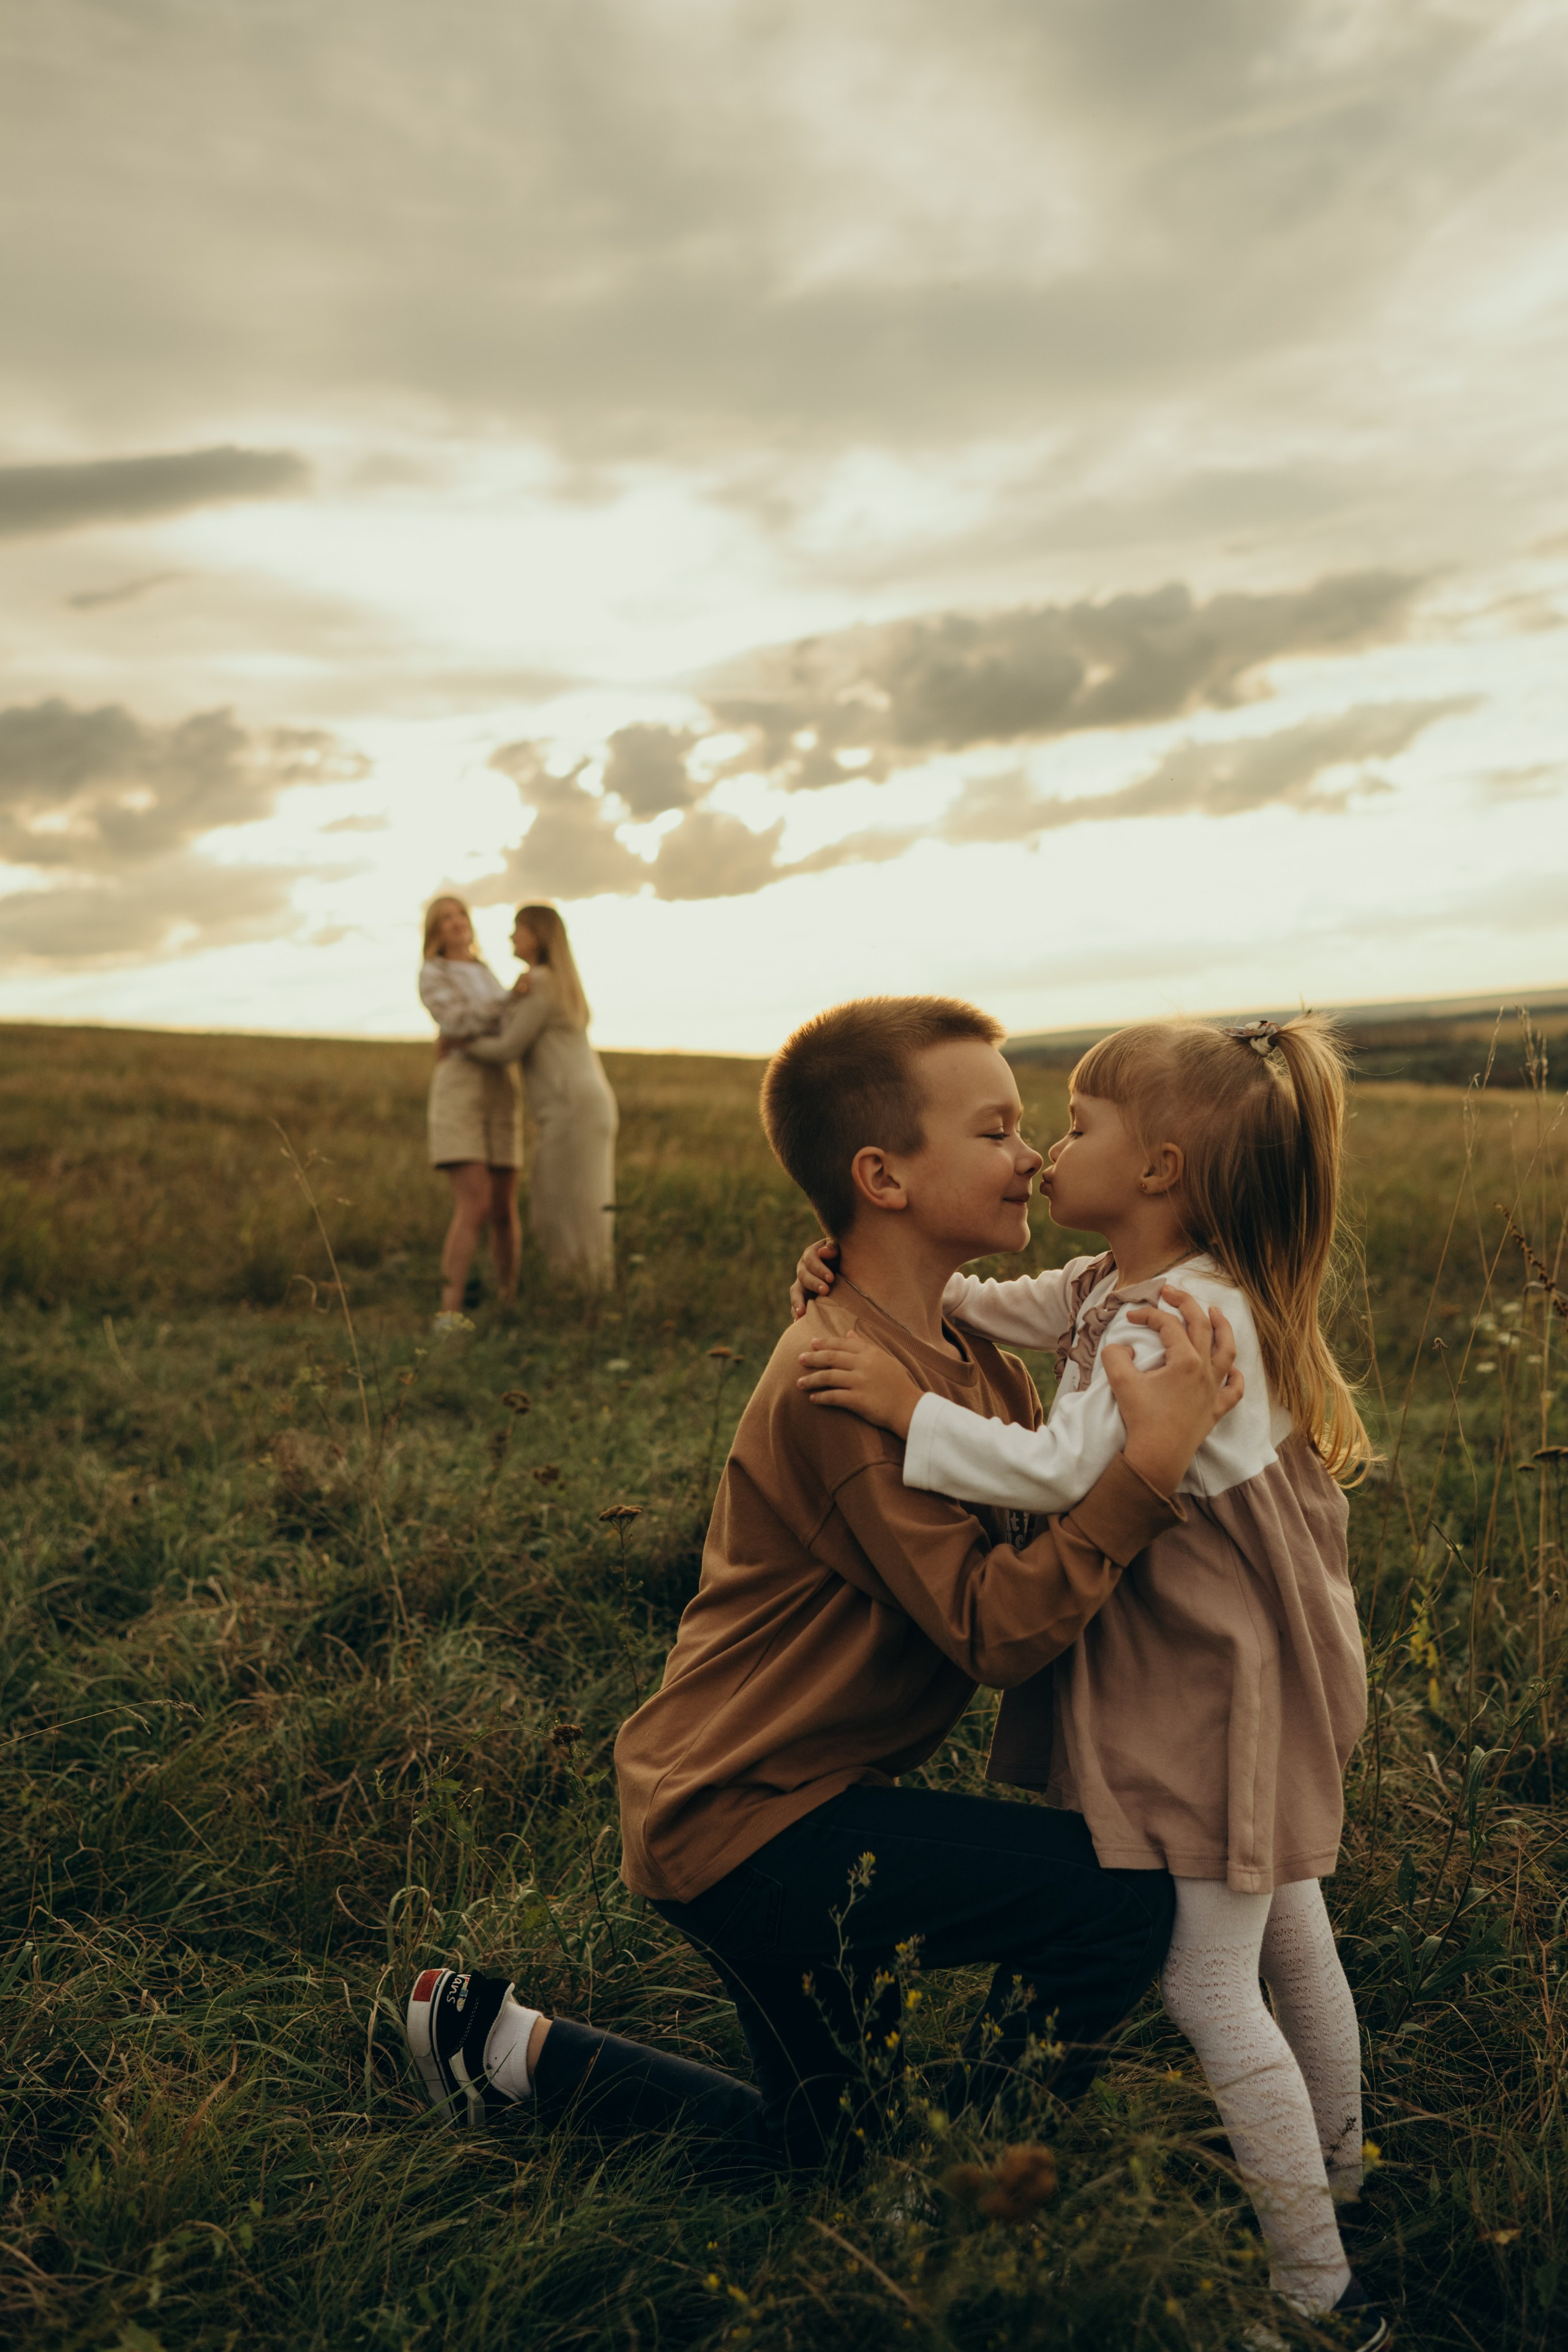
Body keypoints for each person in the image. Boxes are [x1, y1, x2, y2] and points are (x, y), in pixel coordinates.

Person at [404, 997, 1240, 2185]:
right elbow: (995, 1632)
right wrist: (1145, 1479)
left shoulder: (969, 1363)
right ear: (881, 1178)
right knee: (1111, 1909)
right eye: (996, 1130)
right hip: (745, 1818)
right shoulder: (838, 1388)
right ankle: (975, 2186)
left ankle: (498, 2043)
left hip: (782, 1795)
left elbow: (1041, 1492)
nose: (1031, 1157)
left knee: (827, 2158)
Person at [791, 1014, 1385, 2349]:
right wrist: (899, 1289)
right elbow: (1010, 1303)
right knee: (1293, 1932)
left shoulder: (1161, 1327)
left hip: (1206, 1692)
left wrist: (901, 1407)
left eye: (1074, 1124)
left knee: (1207, 1985)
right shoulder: (1152, 1282)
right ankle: (1350, 2181)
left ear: (1160, 1166)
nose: (1049, 1149)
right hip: (1260, 1672)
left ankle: (1320, 2291)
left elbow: (1067, 1473)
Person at [460, 903, 619, 1290]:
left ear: (539, 936)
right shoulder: (557, 982)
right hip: (586, 1104)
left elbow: (506, 1048)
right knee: (584, 1203)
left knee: (559, 1207)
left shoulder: (542, 981)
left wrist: (460, 1044)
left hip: (570, 1108)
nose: (512, 936)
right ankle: (590, 1288)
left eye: (519, 929)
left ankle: (575, 1291)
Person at [417, 895, 522, 1330]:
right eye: (445, 919)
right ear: (435, 931)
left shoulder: (484, 972)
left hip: (501, 1083)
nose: (456, 924)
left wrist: (491, 1014)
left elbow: (501, 1023)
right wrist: (504, 1004)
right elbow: (454, 1022)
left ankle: (508, 1302)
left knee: (504, 1206)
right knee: (473, 1203)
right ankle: (449, 1313)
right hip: (460, 1086)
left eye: (460, 915)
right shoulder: (433, 973)